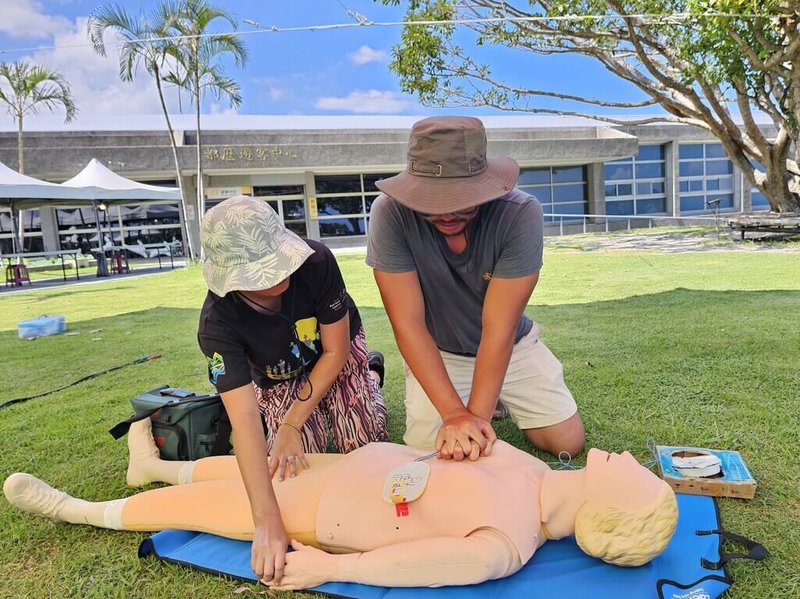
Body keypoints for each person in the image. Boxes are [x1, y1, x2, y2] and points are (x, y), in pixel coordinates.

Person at [3, 419, 678, 590]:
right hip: (361, 462)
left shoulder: (506, 542)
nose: (633, 461)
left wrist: (330, 569)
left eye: (637, 477)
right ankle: (154, 464)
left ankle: (79, 509)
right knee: (257, 463)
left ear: (607, 510)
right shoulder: (535, 469)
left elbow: (412, 563)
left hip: (327, 507)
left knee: (221, 502)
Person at [366, 116, 584, 462]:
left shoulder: (520, 213)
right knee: (426, 448)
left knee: (565, 442)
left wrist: (474, 424)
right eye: (432, 202)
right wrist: (454, 415)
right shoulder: (389, 214)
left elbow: (499, 327)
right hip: (441, 351)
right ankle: (480, 398)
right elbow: (407, 323)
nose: (448, 212)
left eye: (462, 199)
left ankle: (491, 399)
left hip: (510, 345)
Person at [196, 195, 389, 583]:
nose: (281, 274)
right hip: (280, 375)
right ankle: (323, 405)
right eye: (262, 272)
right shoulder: (217, 324)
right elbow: (244, 418)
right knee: (298, 469)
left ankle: (369, 377)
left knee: (365, 444)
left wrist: (291, 423)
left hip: (336, 353)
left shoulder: (316, 261)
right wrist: (266, 519)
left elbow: (334, 351)